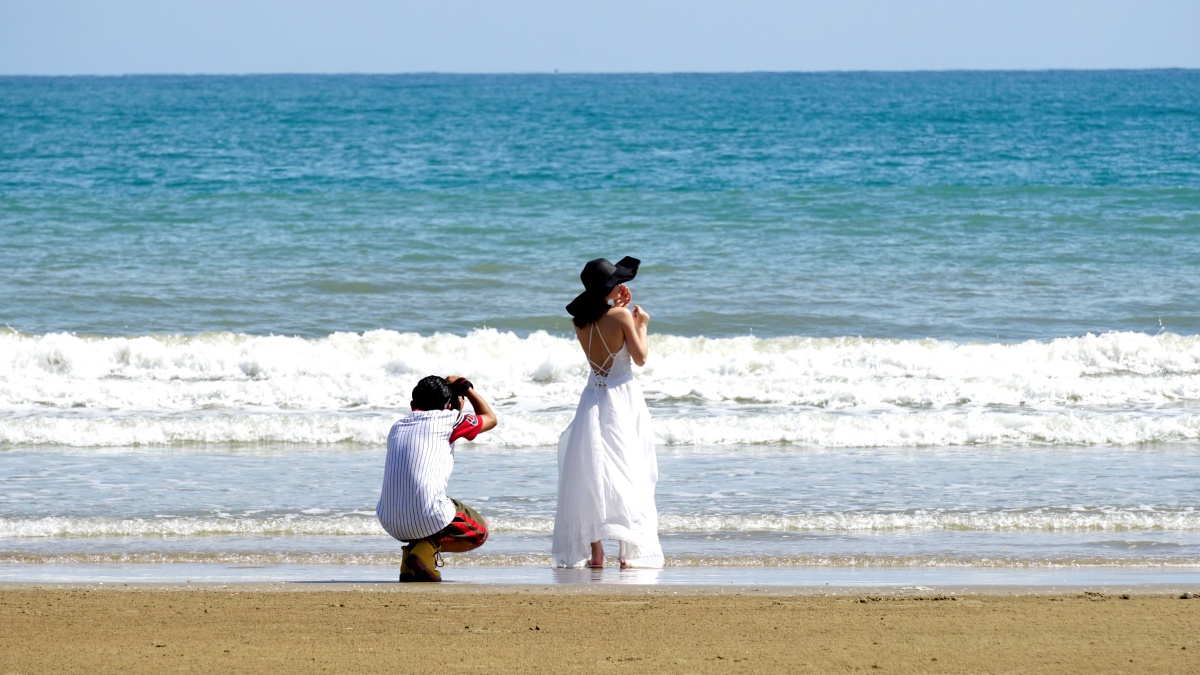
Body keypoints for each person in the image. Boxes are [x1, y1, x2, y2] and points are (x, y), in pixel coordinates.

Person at [552, 256, 664, 569]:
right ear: (610, 288)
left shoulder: (580, 320)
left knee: (592, 473)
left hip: (592, 396)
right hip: (622, 397)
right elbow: (640, 358)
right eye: (616, 282)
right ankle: (627, 552)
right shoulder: (622, 316)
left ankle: (596, 552)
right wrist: (641, 325)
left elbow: (603, 334)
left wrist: (617, 305)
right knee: (629, 468)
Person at [376, 374, 497, 582]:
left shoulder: (397, 426)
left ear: (412, 404)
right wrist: (465, 387)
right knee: (479, 531)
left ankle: (409, 562)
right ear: (449, 405)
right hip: (426, 517)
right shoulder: (451, 420)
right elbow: (490, 418)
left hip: (390, 522)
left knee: (423, 510)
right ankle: (426, 548)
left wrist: (453, 407)